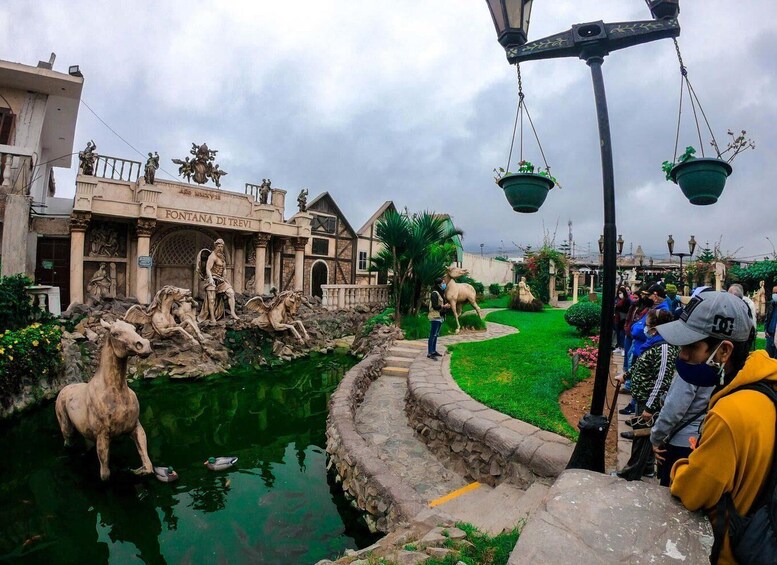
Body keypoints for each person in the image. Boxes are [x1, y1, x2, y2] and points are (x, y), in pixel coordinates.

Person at [654, 291, 776, 564]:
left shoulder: (728, 414)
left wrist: (681, 467)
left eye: (691, 347)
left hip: (731, 551)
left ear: (724, 351)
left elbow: (694, 491)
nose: (682, 355)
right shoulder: (766, 385)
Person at [614, 309, 678, 480]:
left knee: (641, 438)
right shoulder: (653, 343)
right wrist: (626, 376)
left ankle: (631, 473)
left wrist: (650, 407)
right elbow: (642, 364)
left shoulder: (664, 347)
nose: (645, 328)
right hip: (643, 397)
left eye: (648, 325)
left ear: (656, 327)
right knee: (644, 435)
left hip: (649, 400)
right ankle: (647, 468)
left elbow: (662, 380)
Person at [427, 278, 450, 359]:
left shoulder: (440, 293)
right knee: (432, 334)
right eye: (442, 283)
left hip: (440, 316)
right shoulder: (434, 293)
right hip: (435, 316)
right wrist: (444, 306)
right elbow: (434, 306)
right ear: (439, 284)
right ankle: (430, 352)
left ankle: (433, 351)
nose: (444, 284)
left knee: (436, 334)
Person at [765, 284, 777, 359]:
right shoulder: (771, 304)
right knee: (768, 358)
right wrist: (765, 330)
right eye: (773, 293)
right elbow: (767, 318)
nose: (775, 295)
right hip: (770, 335)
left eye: (776, 293)